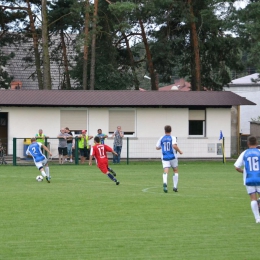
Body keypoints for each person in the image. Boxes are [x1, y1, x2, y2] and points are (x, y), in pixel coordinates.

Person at [234, 135, 260, 223]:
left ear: (248, 143)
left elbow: (236, 167)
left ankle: (257, 218)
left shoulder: (245, 153)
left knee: (253, 198)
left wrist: (243, 172)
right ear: (256, 143)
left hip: (249, 179)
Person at [156, 125, 183, 193]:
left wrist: (162, 147)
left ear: (164, 130)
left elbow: (157, 147)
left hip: (165, 157)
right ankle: (175, 187)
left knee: (166, 171)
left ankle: (165, 183)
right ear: (171, 130)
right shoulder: (173, 137)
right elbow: (174, 145)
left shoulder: (161, 138)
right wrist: (179, 151)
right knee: (175, 170)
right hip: (172, 157)